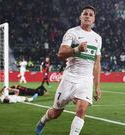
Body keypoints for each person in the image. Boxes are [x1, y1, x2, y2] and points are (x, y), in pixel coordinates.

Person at [35, 5, 102, 135]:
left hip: (86, 79)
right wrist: (76, 49)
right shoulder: (72, 32)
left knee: (82, 110)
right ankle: (43, 120)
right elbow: (60, 53)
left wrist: (97, 86)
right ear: (80, 17)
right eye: (85, 14)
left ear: (94, 19)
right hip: (70, 77)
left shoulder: (97, 38)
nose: (87, 16)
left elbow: (97, 64)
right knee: (55, 113)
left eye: (91, 15)